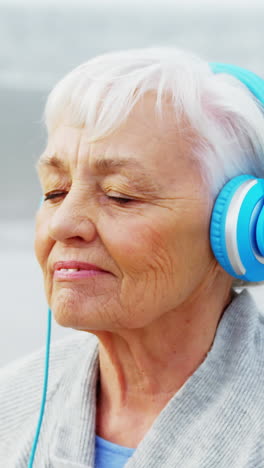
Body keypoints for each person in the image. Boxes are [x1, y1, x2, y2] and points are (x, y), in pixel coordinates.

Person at [1, 47, 264, 468]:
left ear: (241, 229)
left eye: (121, 195)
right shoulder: (11, 401)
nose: (63, 224)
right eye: (55, 191)